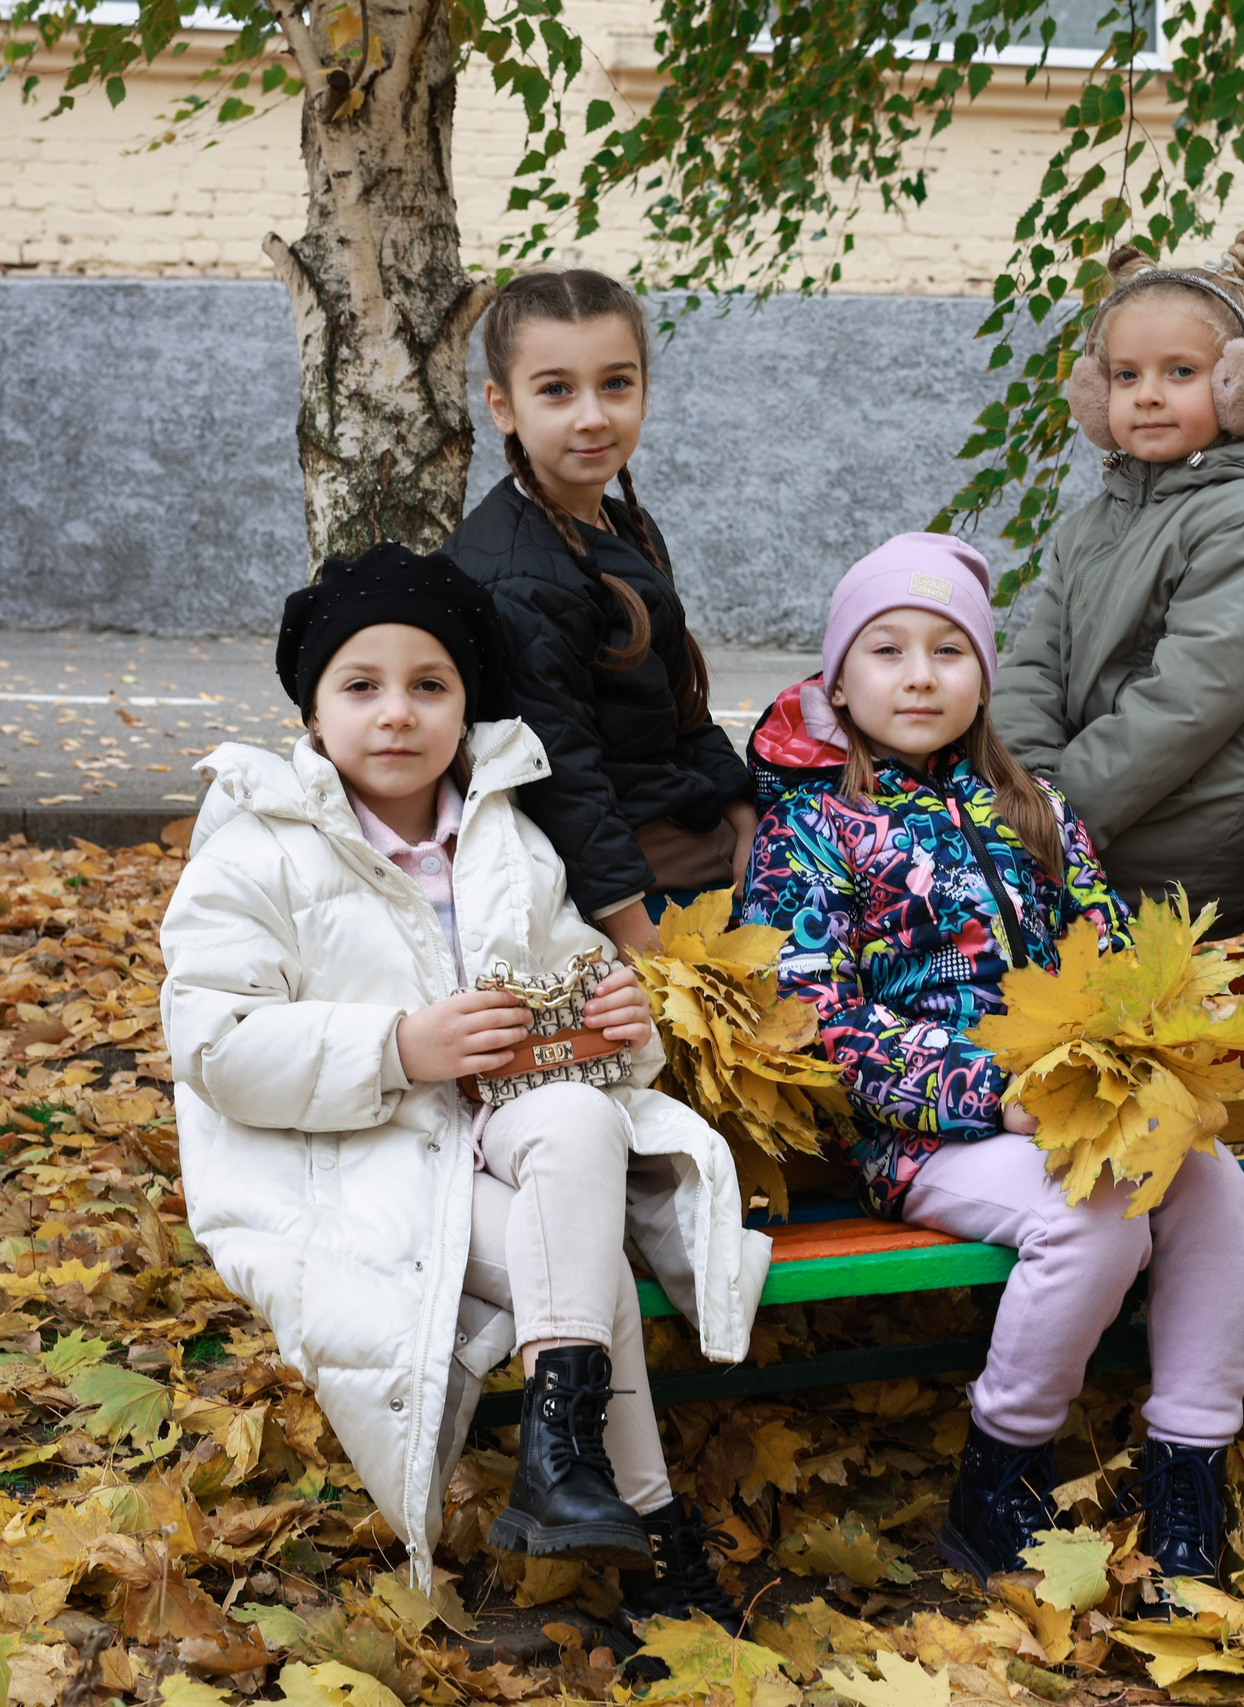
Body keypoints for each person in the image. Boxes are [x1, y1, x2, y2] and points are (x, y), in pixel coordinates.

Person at [159, 543, 768, 1627]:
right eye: (362, 685)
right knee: (589, 1280)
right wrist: (400, 1046)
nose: (395, 713)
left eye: (428, 686)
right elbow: (217, 1046)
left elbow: (570, 989)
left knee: (581, 1109)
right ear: (311, 712)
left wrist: (620, 1026)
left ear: (464, 707)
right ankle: (654, 1532)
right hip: (352, 1156)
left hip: (506, 1128)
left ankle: (564, 1471)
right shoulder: (258, 851)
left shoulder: (505, 838)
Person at [736, 533, 1244, 1598]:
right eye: (886, 650)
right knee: (1095, 1209)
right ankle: (999, 1473)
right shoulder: (811, 831)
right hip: (918, 1137)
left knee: (1213, 1186)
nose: (920, 674)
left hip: (1076, 1110)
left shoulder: (1040, 815)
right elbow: (812, 1020)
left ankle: (1188, 1477)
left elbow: (1112, 961)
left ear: (983, 676)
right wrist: (987, 1095)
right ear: (837, 680)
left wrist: (1153, 1045)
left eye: (948, 650)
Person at [991, 228, 1244, 938]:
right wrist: (1025, 789)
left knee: (958, 882)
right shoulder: (1093, 525)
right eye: (1125, 375)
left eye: (1181, 372)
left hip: (1194, 850)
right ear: (1094, 392)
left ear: (1241, 385)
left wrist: (1050, 817)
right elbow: (1034, 668)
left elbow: (1188, 705)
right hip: (1092, 818)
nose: (1148, 396)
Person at [448, 267, 757, 952]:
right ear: (502, 406)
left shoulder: (623, 527)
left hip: (690, 828)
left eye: (616, 383)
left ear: (644, 390)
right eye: (556, 389)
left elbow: (680, 708)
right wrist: (638, 940)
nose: (592, 416)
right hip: (629, 881)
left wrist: (746, 820)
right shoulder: (518, 578)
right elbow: (563, 780)